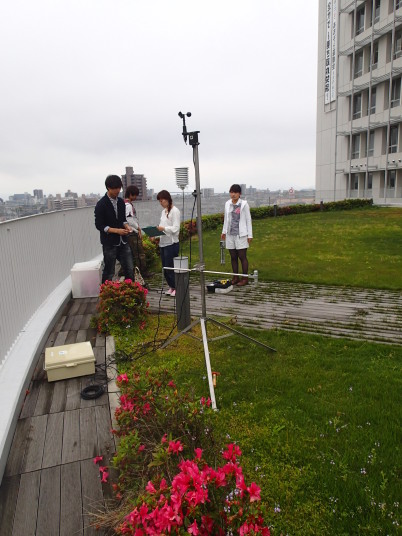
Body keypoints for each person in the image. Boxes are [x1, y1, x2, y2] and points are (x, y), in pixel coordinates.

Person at [94, 175, 134, 284]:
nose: (117, 190)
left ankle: (131, 291)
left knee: (130, 269)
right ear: (108, 188)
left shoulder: (121, 202)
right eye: (115, 188)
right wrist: (117, 231)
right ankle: (106, 292)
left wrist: (127, 226)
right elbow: (99, 225)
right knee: (109, 271)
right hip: (109, 243)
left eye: (119, 188)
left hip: (123, 241)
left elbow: (123, 220)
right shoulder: (101, 204)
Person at [221, 184, 253, 287]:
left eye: (235, 192)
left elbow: (248, 220)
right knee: (233, 256)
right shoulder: (227, 204)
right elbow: (226, 219)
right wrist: (224, 231)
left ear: (239, 194)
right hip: (230, 234)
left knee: (242, 256)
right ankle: (235, 277)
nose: (233, 194)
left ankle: (245, 278)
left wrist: (250, 235)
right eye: (231, 192)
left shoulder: (244, 204)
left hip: (241, 234)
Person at [124, 185, 152, 277]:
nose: (136, 197)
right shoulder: (128, 205)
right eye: (135, 195)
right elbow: (129, 220)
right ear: (130, 194)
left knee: (133, 254)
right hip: (132, 233)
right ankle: (143, 272)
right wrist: (138, 228)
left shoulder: (124, 203)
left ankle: (133, 272)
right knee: (140, 254)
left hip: (129, 232)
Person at [156, 190, 180, 297]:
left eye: (162, 201)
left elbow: (176, 228)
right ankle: (171, 286)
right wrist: (156, 233)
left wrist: (164, 228)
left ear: (167, 199)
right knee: (165, 268)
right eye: (159, 201)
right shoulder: (163, 212)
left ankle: (176, 287)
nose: (161, 203)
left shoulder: (175, 211)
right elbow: (162, 226)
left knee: (171, 267)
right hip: (163, 243)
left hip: (171, 243)